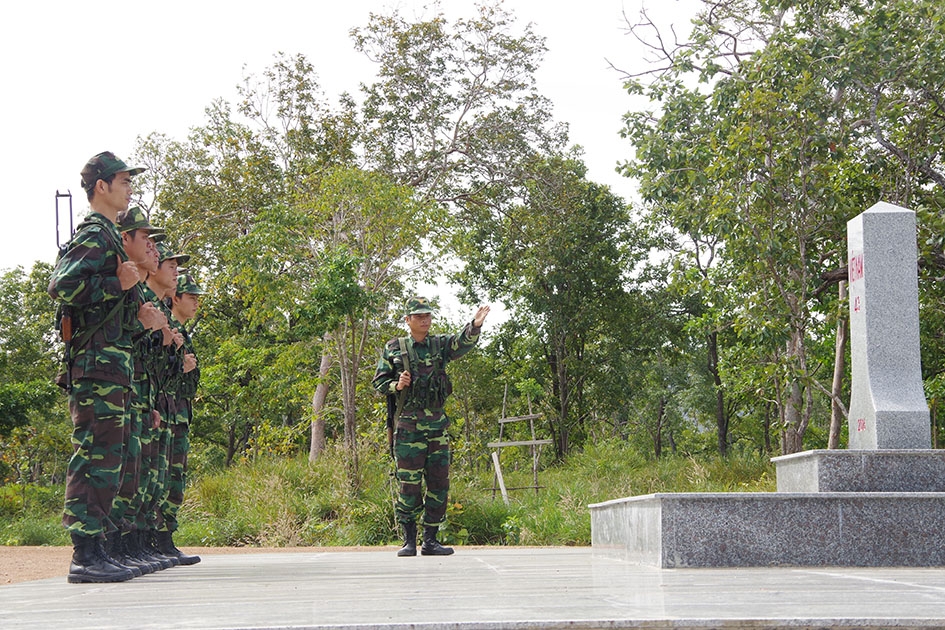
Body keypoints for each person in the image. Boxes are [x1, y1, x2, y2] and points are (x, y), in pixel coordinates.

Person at [48, 151, 150, 583]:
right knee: (95, 454)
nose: (129, 188)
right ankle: (85, 553)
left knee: (112, 457)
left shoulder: (108, 235)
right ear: (102, 187)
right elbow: (61, 285)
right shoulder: (94, 234)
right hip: (94, 366)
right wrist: (119, 282)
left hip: (111, 367)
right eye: (123, 181)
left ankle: (100, 547)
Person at [372, 297, 490, 557]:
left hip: (437, 427)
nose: (425, 320)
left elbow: (460, 345)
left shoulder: (439, 344)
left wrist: (475, 326)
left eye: (428, 315)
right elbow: (379, 383)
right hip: (408, 428)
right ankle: (409, 541)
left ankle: (431, 540)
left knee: (439, 484)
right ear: (408, 320)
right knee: (409, 485)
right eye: (419, 316)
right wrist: (397, 385)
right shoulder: (394, 348)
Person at [157, 272, 204, 565]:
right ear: (176, 299)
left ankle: (164, 540)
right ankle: (153, 540)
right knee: (158, 478)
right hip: (164, 414)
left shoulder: (182, 333)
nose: (197, 303)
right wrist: (179, 365)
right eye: (192, 297)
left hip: (178, 414)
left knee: (174, 478)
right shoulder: (165, 328)